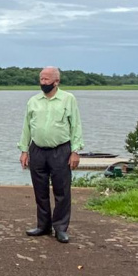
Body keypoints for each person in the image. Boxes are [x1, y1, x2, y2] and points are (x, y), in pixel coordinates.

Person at [18, 66, 83, 244]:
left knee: (62, 191)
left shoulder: (68, 99)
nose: (43, 82)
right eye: (41, 79)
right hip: (37, 149)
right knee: (40, 190)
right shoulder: (33, 101)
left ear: (56, 81)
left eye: (46, 79)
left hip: (60, 150)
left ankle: (60, 228)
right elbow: (27, 126)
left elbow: (75, 125)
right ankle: (43, 226)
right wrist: (24, 150)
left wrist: (75, 151)